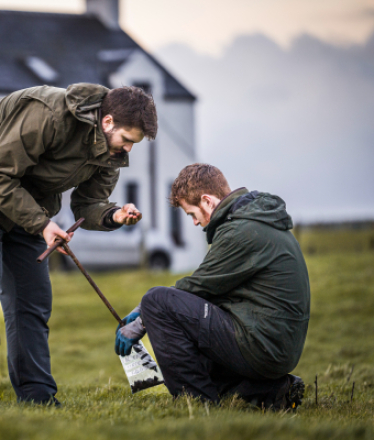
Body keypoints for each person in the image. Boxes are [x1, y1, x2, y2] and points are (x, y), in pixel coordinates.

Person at [0, 84, 158, 404]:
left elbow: (89, 204)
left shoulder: (111, 153)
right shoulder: (49, 114)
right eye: (127, 140)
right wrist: (42, 224)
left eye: (134, 144)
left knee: (33, 298)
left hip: (28, 202)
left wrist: (115, 215)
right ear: (107, 122)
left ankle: (38, 398)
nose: (127, 150)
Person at [115, 163, 310, 409]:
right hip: (274, 344)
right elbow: (205, 289)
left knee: (156, 300)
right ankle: (271, 392)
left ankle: (196, 403)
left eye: (191, 214)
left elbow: (197, 286)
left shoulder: (241, 230)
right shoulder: (253, 220)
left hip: (263, 345)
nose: (195, 223)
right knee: (189, 328)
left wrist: (142, 315)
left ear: (207, 202)